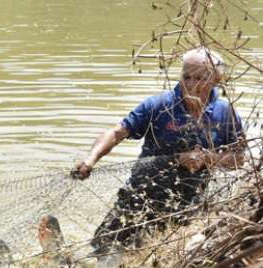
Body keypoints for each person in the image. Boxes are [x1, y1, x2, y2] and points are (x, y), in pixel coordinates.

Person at [73, 48, 245, 255]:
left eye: (200, 78)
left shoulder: (225, 112)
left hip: (188, 205)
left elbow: (239, 158)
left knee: (165, 256)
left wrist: (208, 158)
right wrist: (91, 160)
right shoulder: (158, 106)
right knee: (103, 251)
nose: (191, 84)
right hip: (140, 197)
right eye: (187, 77)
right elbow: (117, 133)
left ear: (216, 79)